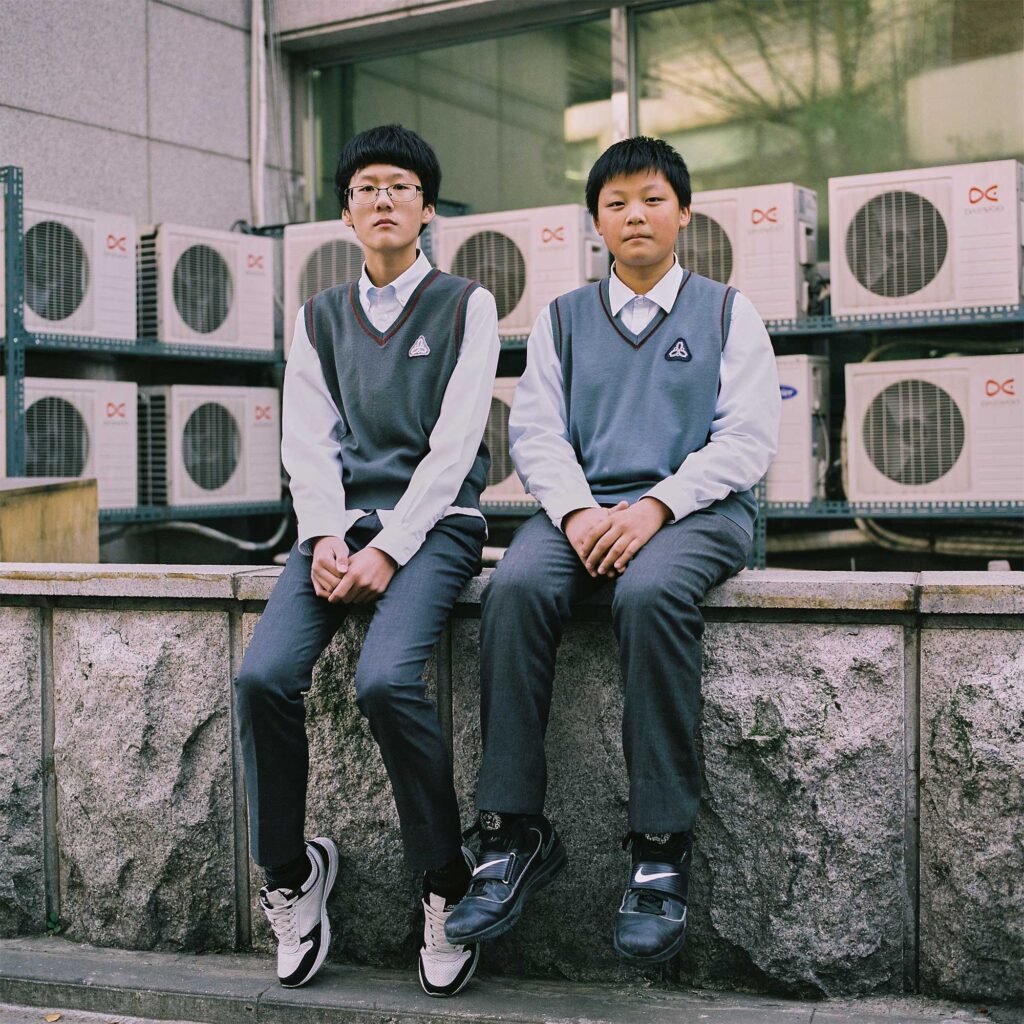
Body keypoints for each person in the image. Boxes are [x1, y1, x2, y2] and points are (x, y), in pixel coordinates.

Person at [444, 136, 781, 965]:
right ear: (596, 221)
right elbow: (535, 431)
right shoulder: (562, 319)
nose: (636, 214)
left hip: (698, 509)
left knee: (648, 593)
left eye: (653, 198)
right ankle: (510, 831)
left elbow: (747, 440)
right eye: (617, 202)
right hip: (582, 511)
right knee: (515, 586)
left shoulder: (728, 311)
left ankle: (661, 847)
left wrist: (657, 506)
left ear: (685, 213)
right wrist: (581, 513)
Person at [234, 124, 499, 996]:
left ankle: (443, 883)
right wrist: (323, 535)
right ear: (345, 212)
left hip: (440, 523)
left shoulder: (468, 304)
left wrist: (388, 547)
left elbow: (456, 447)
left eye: (400, 186)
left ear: (427, 207)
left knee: (385, 681)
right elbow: (307, 439)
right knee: (263, 677)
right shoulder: (315, 317)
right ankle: (289, 876)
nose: (383, 200)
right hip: (335, 528)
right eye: (366, 188)